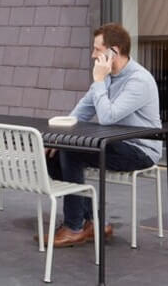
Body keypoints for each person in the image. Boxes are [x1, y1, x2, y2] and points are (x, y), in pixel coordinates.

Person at [47, 23, 162, 247]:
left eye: (97, 50)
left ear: (114, 52)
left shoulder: (138, 80)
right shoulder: (107, 76)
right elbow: (81, 111)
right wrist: (54, 138)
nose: (93, 55)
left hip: (140, 149)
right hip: (114, 144)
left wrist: (99, 80)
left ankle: (74, 227)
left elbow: (109, 117)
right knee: (55, 152)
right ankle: (93, 222)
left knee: (72, 152)